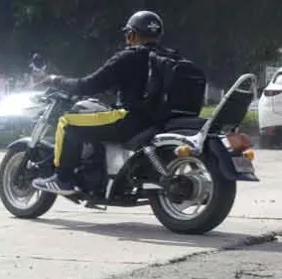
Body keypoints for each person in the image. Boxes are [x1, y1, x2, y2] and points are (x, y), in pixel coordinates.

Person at [32, 10, 182, 196]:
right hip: (158, 121)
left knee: (67, 122)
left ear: (132, 34)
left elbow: (86, 85)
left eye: (128, 34)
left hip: (128, 120)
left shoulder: (127, 57)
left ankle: (64, 179)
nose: (127, 39)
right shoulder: (170, 58)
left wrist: (55, 79)